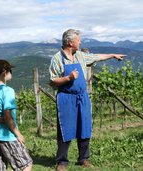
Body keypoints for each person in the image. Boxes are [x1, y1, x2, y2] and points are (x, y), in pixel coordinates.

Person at [49, 29, 125, 171]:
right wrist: (68, 78)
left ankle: (83, 158)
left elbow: (97, 57)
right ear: (71, 42)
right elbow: (53, 81)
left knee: (84, 126)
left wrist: (112, 55)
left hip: (82, 97)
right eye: (78, 40)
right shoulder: (57, 59)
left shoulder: (81, 56)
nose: (80, 42)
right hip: (66, 98)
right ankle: (62, 162)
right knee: (65, 128)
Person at [0, 59, 33, 171]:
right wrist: (18, 134)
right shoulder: (8, 91)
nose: (11, 73)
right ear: (4, 72)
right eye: (10, 70)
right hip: (8, 135)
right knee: (25, 165)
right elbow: (7, 116)